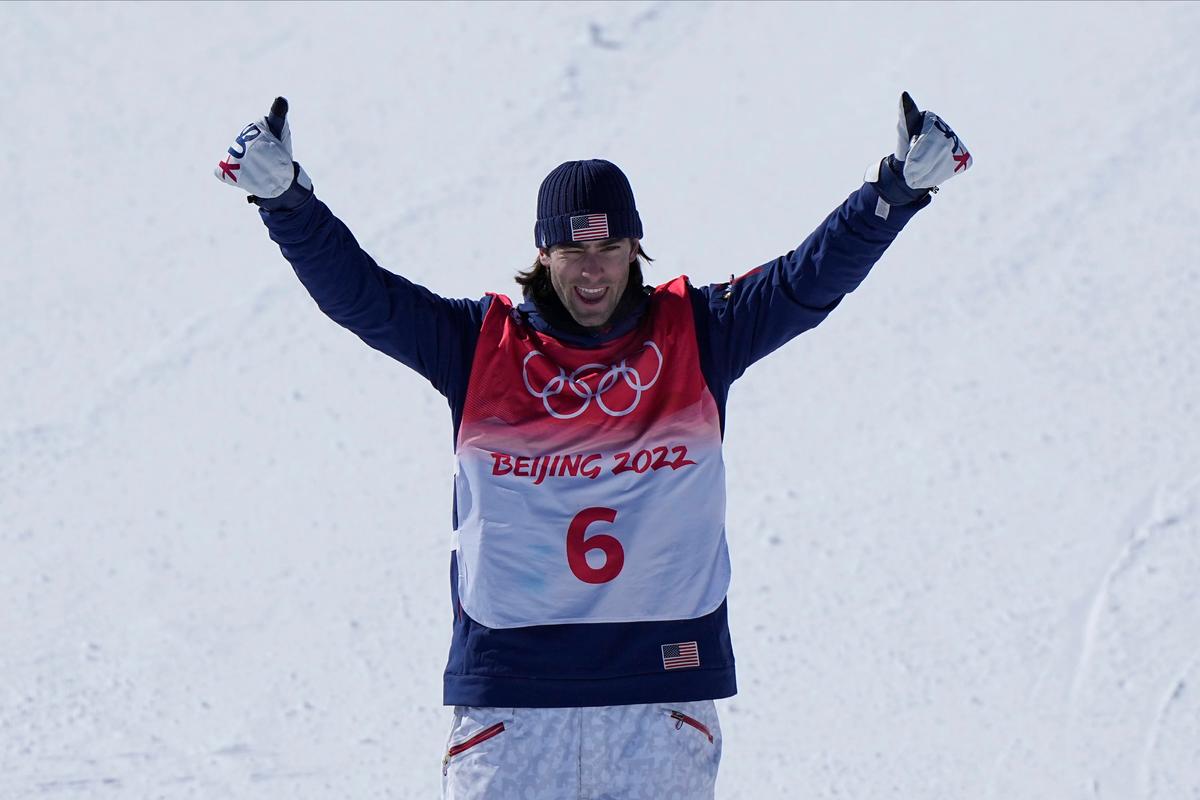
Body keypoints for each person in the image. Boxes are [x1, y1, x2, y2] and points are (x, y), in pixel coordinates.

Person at [214, 92, 972, 799]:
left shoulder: (700, 333)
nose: (591, 269)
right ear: (542, 254)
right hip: (513, 702)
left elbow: (809, 282)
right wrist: (286, 203)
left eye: (610, 248)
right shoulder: (479, 346)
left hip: (660, 698)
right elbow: (361, 296)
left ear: (635, 248)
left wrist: (892, 194)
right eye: (572, 250)